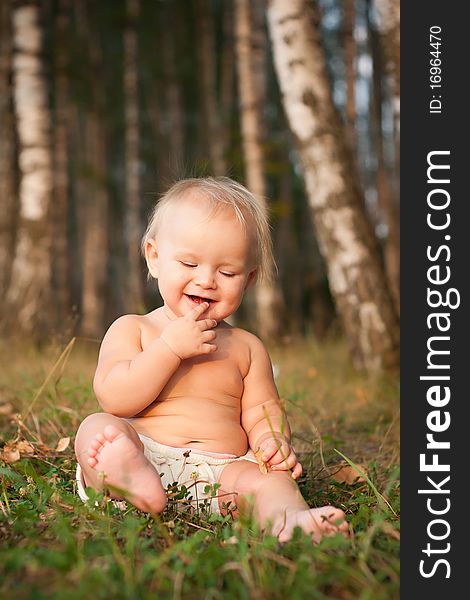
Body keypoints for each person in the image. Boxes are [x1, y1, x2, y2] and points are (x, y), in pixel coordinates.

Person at [74, 176, 348, 543]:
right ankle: (128, 480)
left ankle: (290, 522)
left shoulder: (246, 347)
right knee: (97, 427)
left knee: (271, 480)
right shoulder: (134, 329)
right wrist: (169, 349)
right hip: (143, 451)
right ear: (154, 258)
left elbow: (262, 409)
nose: (206, 281)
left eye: (227, 272)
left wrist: (271, 440)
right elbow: (115, 396)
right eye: (188, 263)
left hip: (223, 474)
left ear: (248, 280)